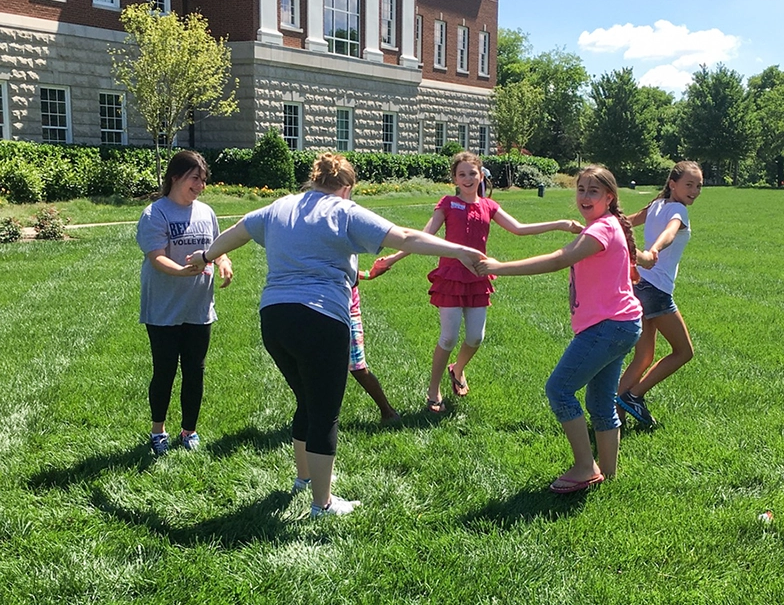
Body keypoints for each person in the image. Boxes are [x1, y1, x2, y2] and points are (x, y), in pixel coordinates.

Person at [186, 152, 483, 518]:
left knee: (307, 401)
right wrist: (460, 250)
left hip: (274, 319)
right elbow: (405, 237)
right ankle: (322, 504)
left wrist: (205, 255)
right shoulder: (344, 211)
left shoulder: (281, 206)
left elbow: (237, 232)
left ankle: (304, 479)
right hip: (322, 319)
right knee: (325, 410)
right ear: (346, 188)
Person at [371, 151, 582, 414]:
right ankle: (433, 390)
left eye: (473, 173)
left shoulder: (489, 206)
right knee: (448, 338)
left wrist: (560, 224)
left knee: (476, 337)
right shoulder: (447, 203)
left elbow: (519, 228)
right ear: (455, 179)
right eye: (462, 174)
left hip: (478, 275)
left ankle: (457, 370)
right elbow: (424, 236)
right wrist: (393, 258)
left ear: (481, 175)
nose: (468, 178)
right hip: (450, 275)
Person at [476, 165, 643, 493]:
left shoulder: (602, 230)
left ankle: (585, 466)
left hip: (608, 327)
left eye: (593, 191)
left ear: (609, 197)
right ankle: (607, 476)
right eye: (581, 189)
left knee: (559, 390)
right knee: (600, 403)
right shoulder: (604, 226)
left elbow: (558, 259)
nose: (584, 196)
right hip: (621, 325)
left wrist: (500, 268)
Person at [136, 150, 233, 456]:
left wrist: (223, 262)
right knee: (164, 370)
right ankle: (158, 431)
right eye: (195, 178)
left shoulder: (206, 212)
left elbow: (217, 247)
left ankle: (189, 430)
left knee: (195, 370)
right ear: (175, 177)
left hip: (199, 307)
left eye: (203, 180)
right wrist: (181, 271)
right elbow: (156, 257)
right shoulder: (156, 214)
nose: (200, 185)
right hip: (163, 308)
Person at [616, 161, 703, 427]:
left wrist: (602, 224)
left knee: (643, 356)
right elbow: (670, 231)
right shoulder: (677, 210)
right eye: (689, 184)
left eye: (699, 186)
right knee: (684, 351)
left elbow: (626, 223)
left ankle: (612, 414)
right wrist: (654, 250)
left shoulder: (656, 205)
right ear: (673, 184)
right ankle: (634, 395)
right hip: (656, 290)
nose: (695, 190)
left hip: (640, 285)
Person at [348, 271, 400, 425]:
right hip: (323, 311)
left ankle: (387, 411)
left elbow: (352, 277)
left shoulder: (343, 249)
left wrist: (367, 274)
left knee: (358, 368)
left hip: (349, 314)